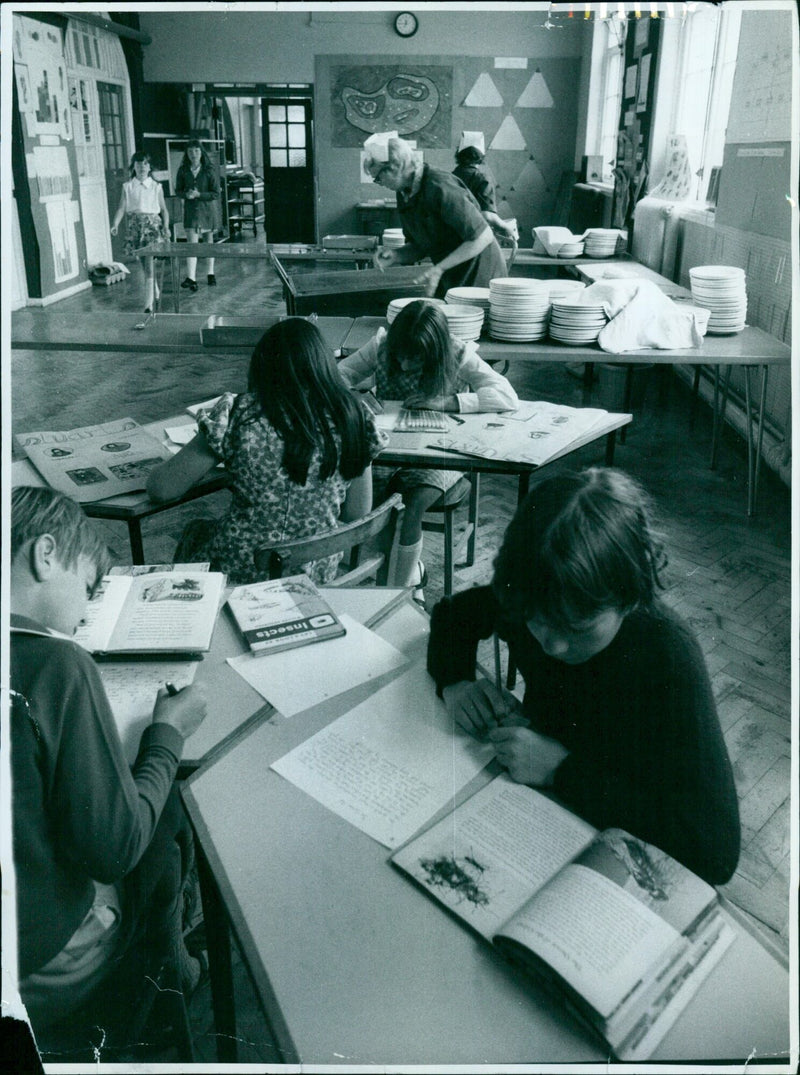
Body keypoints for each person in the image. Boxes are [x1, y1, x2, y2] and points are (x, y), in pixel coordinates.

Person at [427, 467, 740, 885]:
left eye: (579, 630)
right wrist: (457, 684)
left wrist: (563, 770)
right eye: (536, 622)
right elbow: (453, 615)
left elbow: (715, 849)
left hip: (606, 844)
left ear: (630, 596)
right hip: (531, 814)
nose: (551, 645)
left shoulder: (668, 655)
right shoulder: (536, 594)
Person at [9, 486, 208, 1034]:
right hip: (33, 970)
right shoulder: (57, 664)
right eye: (90, 589)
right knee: (163, 822)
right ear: (46, 555)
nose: (83, 617)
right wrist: (167, 734)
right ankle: (165, 989)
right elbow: (113, 850)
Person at [146, 317, 384, 585]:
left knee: (195, 532)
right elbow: (357, 513)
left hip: (242, 572)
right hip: (315, 573)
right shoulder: (355, 418)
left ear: (261, 367)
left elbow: (162, 489)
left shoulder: (238, 415)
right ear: (324, 366)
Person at [338, 299, 519, 598]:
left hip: (439, 456)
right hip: (387, 452)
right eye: (400, 357)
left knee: (412, 504)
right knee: (377, 502)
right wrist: (354, 400)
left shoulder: (457, 353)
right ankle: (406, 575)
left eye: (416, 358)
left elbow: (506, 396)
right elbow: (340, 376)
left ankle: (399, 588)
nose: (406, 365)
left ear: (434, 351)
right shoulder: (381, 345)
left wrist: (449, 402)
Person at [364, 132, 507, 299]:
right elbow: (420, 245)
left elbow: (483, 236)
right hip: (450, 270)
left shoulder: (440, 186)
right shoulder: (404, 192)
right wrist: (396, 255)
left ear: (395, 167)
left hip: (480, 271)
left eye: (378, 178)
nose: (379, 184)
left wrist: (439, 268)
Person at [110, 151, 169, 313]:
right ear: (133, 167)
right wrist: (115, 223)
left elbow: (163, 210)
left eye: (145, 164)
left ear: (149, 167)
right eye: (138, 164)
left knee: (149, 263)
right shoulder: (128, 187)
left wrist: (166, 226)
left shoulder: (156, 187)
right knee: (143, 262)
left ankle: (148, 304)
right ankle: (155, 289)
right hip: (136, 227)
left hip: (152, 227)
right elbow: (122, 207)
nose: (141, 167)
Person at [452, 131, 518, 243]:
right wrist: (506, 228)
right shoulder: (482, 178)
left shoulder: (450, 176)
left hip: (450, 237)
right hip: (472, 239)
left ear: (459, 154)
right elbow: (487, 215)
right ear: (481, 156)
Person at [175, 140, 219, 291]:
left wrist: (200, 194)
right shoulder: (183, 170)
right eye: (190, 151)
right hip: (191, 211)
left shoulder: (209, 170)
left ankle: (210, 273)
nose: (193, 154)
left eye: (196, 151)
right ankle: (191, 278)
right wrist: (186, 194)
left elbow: (215, 193)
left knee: (208, 243)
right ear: (187, 154)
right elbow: (178, 190)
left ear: (201, 153)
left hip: (207, 211)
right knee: (191, 244)